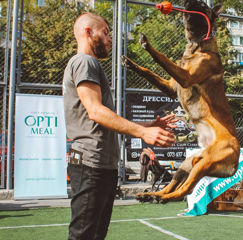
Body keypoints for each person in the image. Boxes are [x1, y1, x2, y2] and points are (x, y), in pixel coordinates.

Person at [63, 12, 176, 240]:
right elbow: (96, 111)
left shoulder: (87, 64)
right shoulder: (84, 62)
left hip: (99, 166)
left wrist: (148, 124)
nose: (109, 38)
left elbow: (105, 120)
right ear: (88, 32)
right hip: (90, 164)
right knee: (83, 235)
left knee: (94, 235)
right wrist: (144, 131)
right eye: (105, 32)